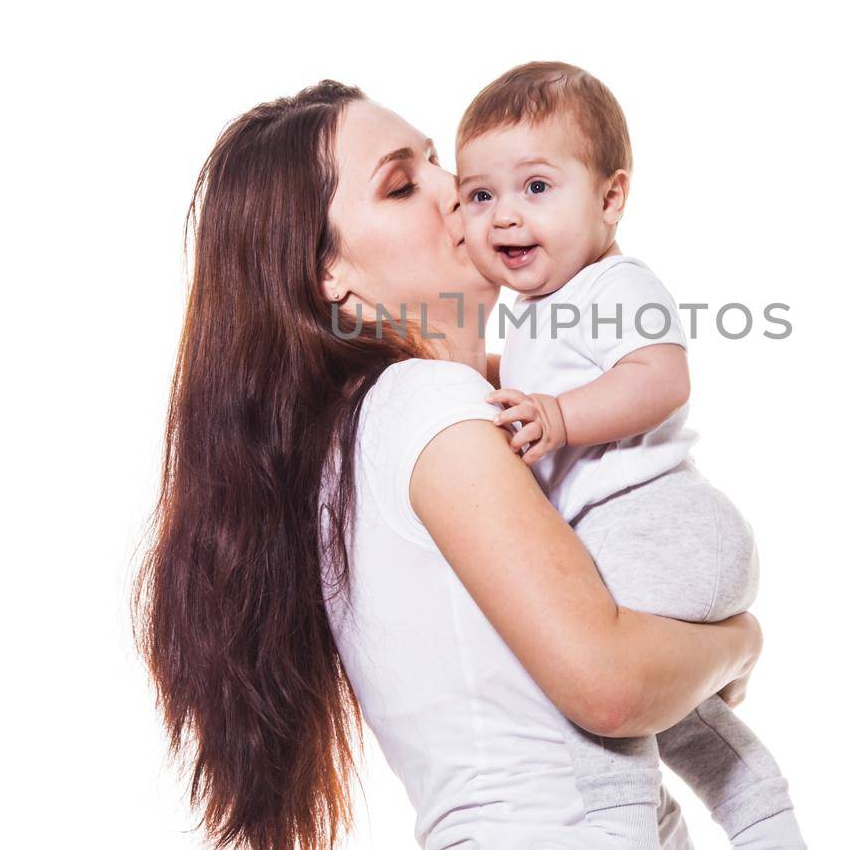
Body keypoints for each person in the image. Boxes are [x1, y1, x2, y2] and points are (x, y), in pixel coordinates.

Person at [133, 80, 764, 850]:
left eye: (437, 161)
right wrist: (740, 640)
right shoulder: (429, 405)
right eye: (402, 185)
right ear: (333, 275)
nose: (455, 190)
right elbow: (611, 684)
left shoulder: (389, 419)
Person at [453, 62, 805, 849]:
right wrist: (492, 377)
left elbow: (659, 375)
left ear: (611, 198)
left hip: (653, 526)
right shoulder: (548, 309)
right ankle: (766, 822)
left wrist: (558, 414)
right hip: (649, 539)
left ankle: (616, 831)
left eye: (536, 187)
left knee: (583, 685)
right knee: (682, 721)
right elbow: (546, 375)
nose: (504, 216)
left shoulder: (616, 282)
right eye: (480, 196)